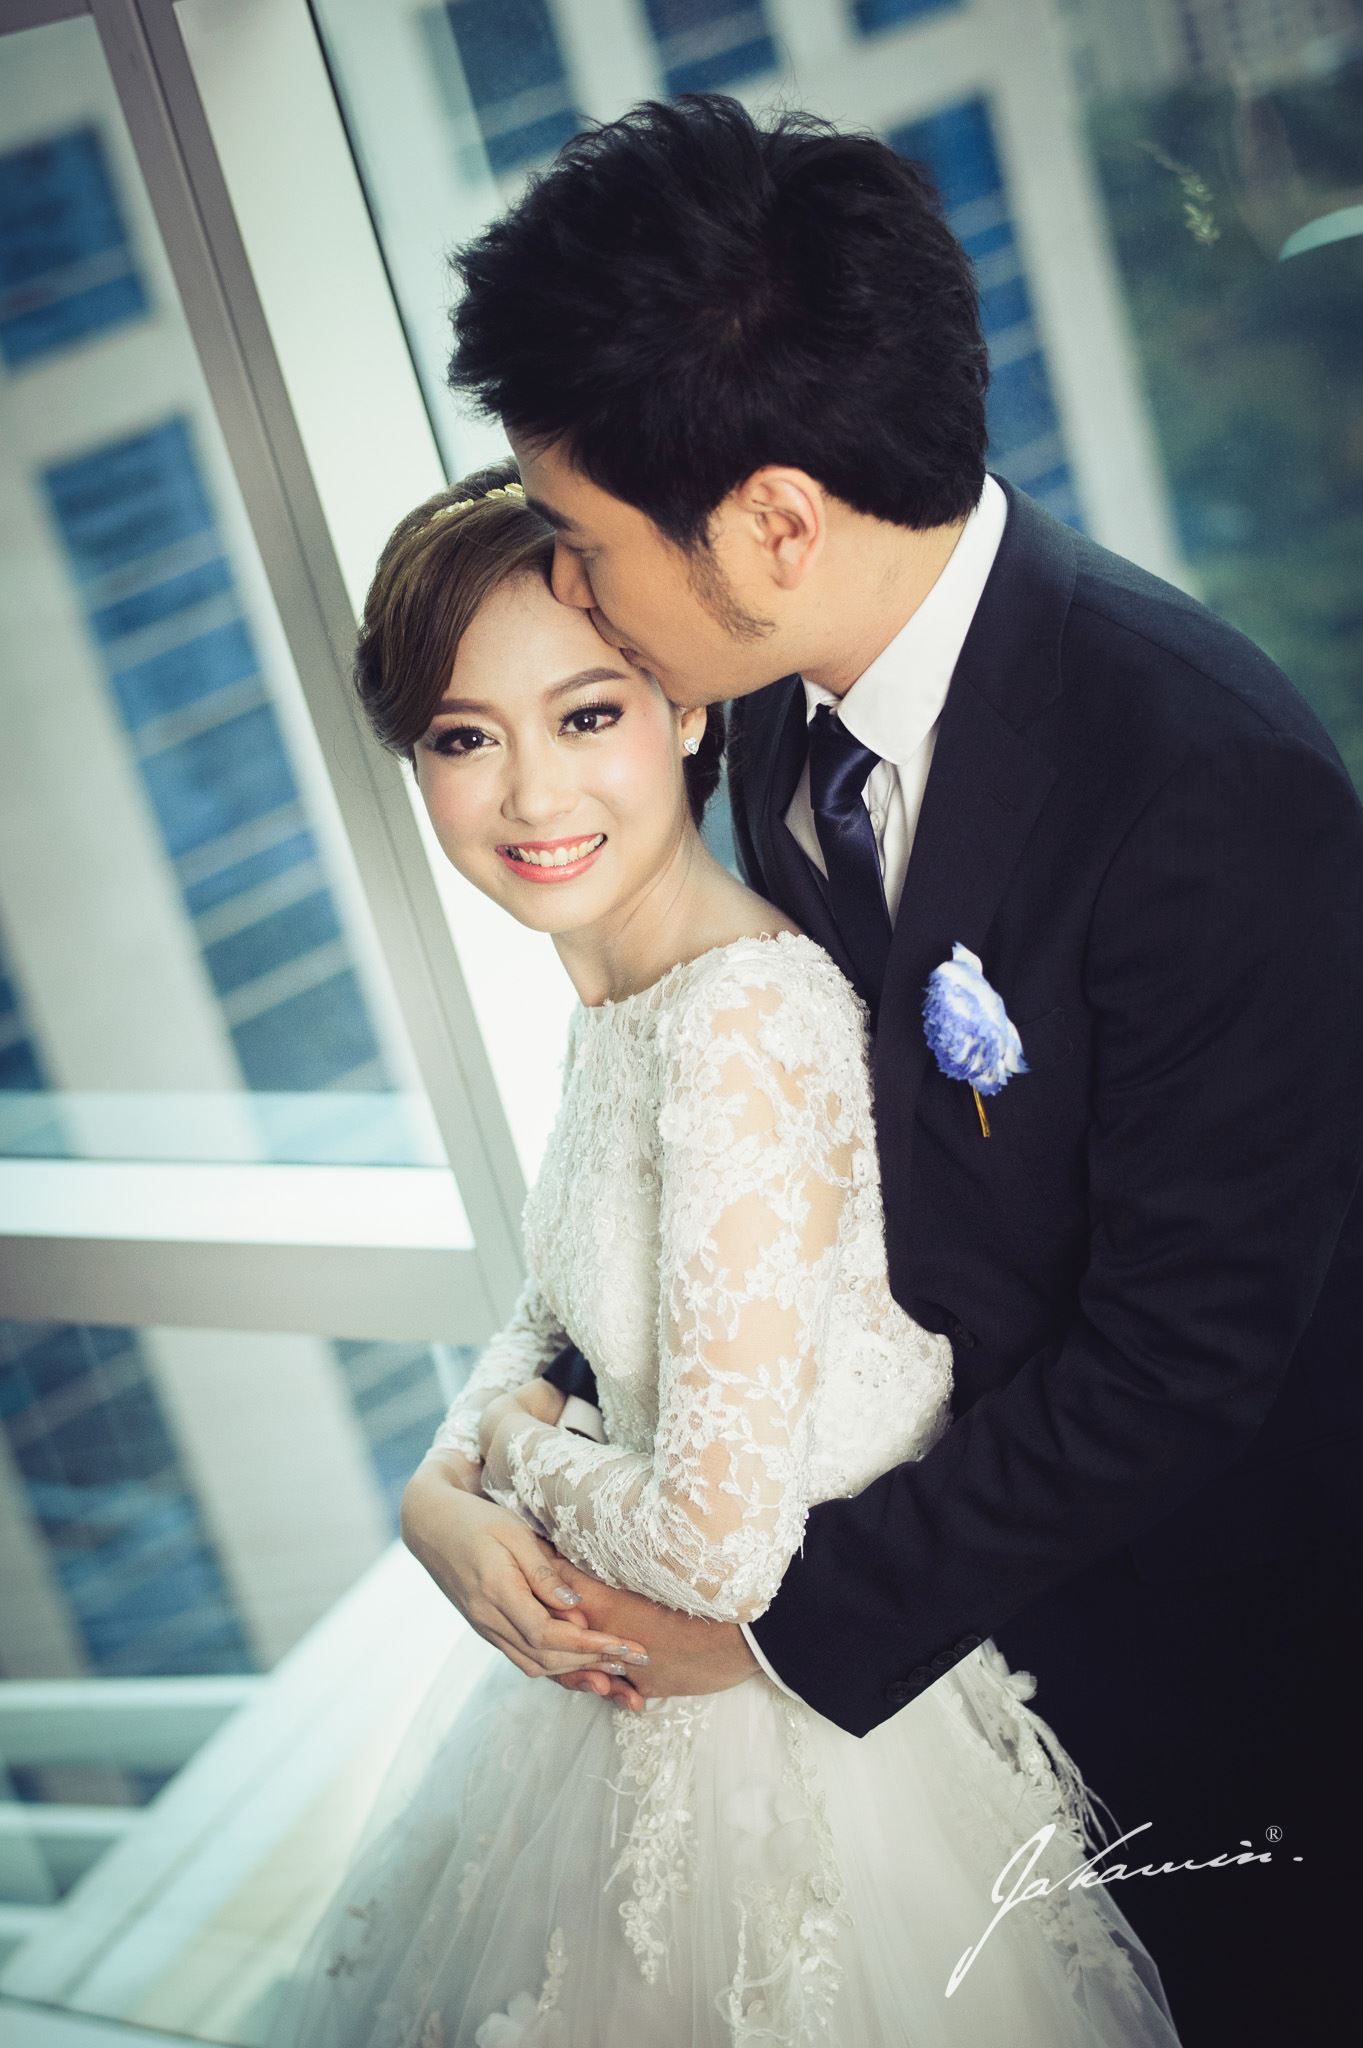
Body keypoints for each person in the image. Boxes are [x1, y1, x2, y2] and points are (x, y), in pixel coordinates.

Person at [398, 94, 1363, 2046]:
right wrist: (461, 1466)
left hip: (1197, 1676)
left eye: (582, 546)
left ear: (772, 522)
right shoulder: (766, 708)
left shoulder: (1208, 786)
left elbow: (1181, 1362)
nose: (572, 595)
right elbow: (737, 1176)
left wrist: (763, 1625)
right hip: (928, 1646)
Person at [255, 462, 1182, 2046]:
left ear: (686, 707)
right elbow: (555, 1310)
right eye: (466, 738)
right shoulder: (629, 999)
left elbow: (714, 1551)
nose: (532, 797)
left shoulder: (738, 1022)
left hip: (792, 1751)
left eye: (586, 716)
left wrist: (507, 1464)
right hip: (650, 1711)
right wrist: (442, 1484)